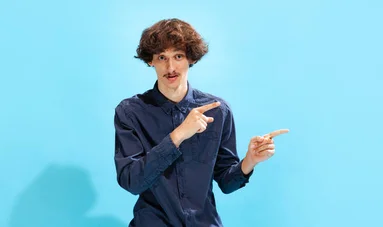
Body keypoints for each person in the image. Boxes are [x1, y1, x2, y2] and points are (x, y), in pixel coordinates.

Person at [113, 18, 289, 227]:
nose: (170, 67)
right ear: (151, 61)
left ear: (191, 58)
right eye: (162, 57)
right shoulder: (130, 112)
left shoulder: (218, 111)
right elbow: (132, 182)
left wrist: (249, 161)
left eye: (178, 56)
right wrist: (178, 135)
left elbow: (226, 181)